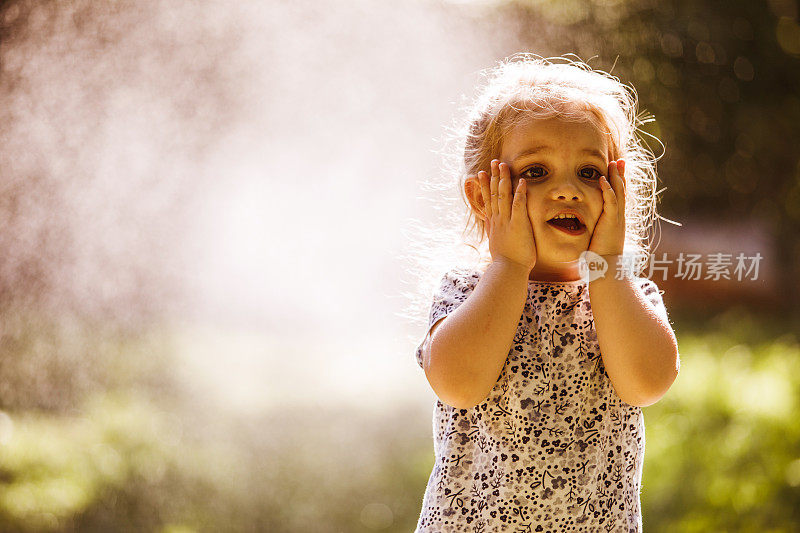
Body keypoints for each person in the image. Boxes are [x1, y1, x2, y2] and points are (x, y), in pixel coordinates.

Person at [412, 54, 681, 532]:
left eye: (590, 173)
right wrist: (510, 266)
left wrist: (607, 268)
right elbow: (459, 383)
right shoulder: (466, 290)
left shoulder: (623, 294)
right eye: (536, 172)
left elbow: (647, 383)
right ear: (482, 197)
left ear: (618, 190)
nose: (567, 190)